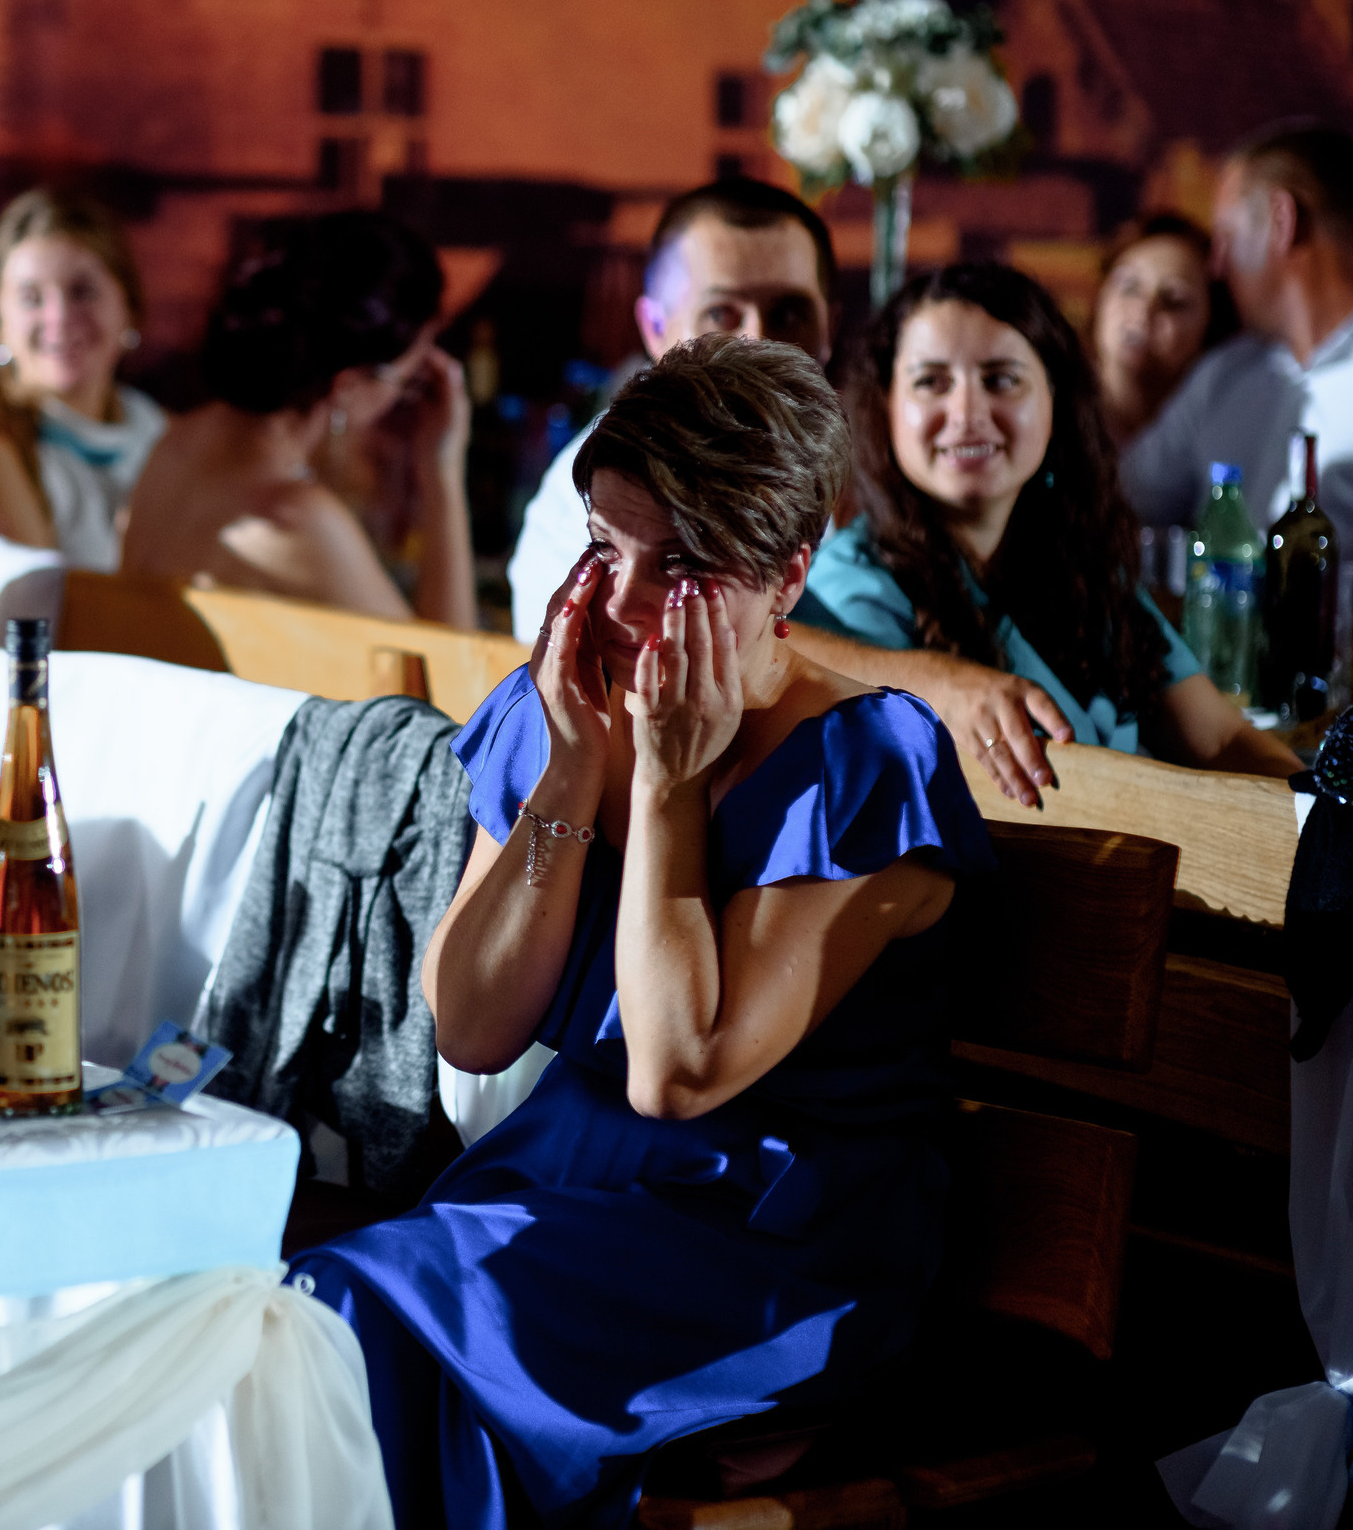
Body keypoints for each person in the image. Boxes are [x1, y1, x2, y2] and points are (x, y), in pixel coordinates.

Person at [294, 335, 992, 1527]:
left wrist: (667, 787)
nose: (619, 602)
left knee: (349, 1320)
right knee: (309, 1313)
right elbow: (468, 1025)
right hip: (564, 1184)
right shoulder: (558, 705)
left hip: (772, 1242)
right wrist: (573, 772)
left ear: (787, 574)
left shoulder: (864, 759)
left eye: (678, 568)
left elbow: (680, 1072)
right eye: (606, 547)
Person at [796, 263, 1299, 780]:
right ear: (887, 407)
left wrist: (1321, 813)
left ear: (1055, 399)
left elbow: (1217, 738)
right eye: (931, 382)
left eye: (1001, 379)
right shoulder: (852, 585)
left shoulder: (1077, 562)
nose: (968, 412)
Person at [504, 177, 835, 635]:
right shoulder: (589, 495)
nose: (758, 342)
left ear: (829, 326)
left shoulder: (855, 461)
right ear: (655, 328)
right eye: (721, 314)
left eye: (789, 314)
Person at [119, 211, 475, 627]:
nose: (400, 399)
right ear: (348, 387)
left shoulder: (175, 444)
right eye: (407, 379)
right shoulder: (297, 522)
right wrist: (443, 470)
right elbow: (451, 673)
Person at [1121, 122, 1353, 556]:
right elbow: (1117, 505)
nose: (1216, 267)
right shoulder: (1225, 377)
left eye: (1226, 236)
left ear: (1282, 221)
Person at [0, 187, 165, 570]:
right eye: (31, 298)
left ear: (129, 307)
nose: (59, 318)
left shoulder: (160, 433)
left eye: (82, 292)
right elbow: (44, 615)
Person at [1090, 213, 1236, 449]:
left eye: (1173, 300)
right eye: (1129, 287)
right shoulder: (1053, 416)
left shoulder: (1224, 432)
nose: (1143, 312)